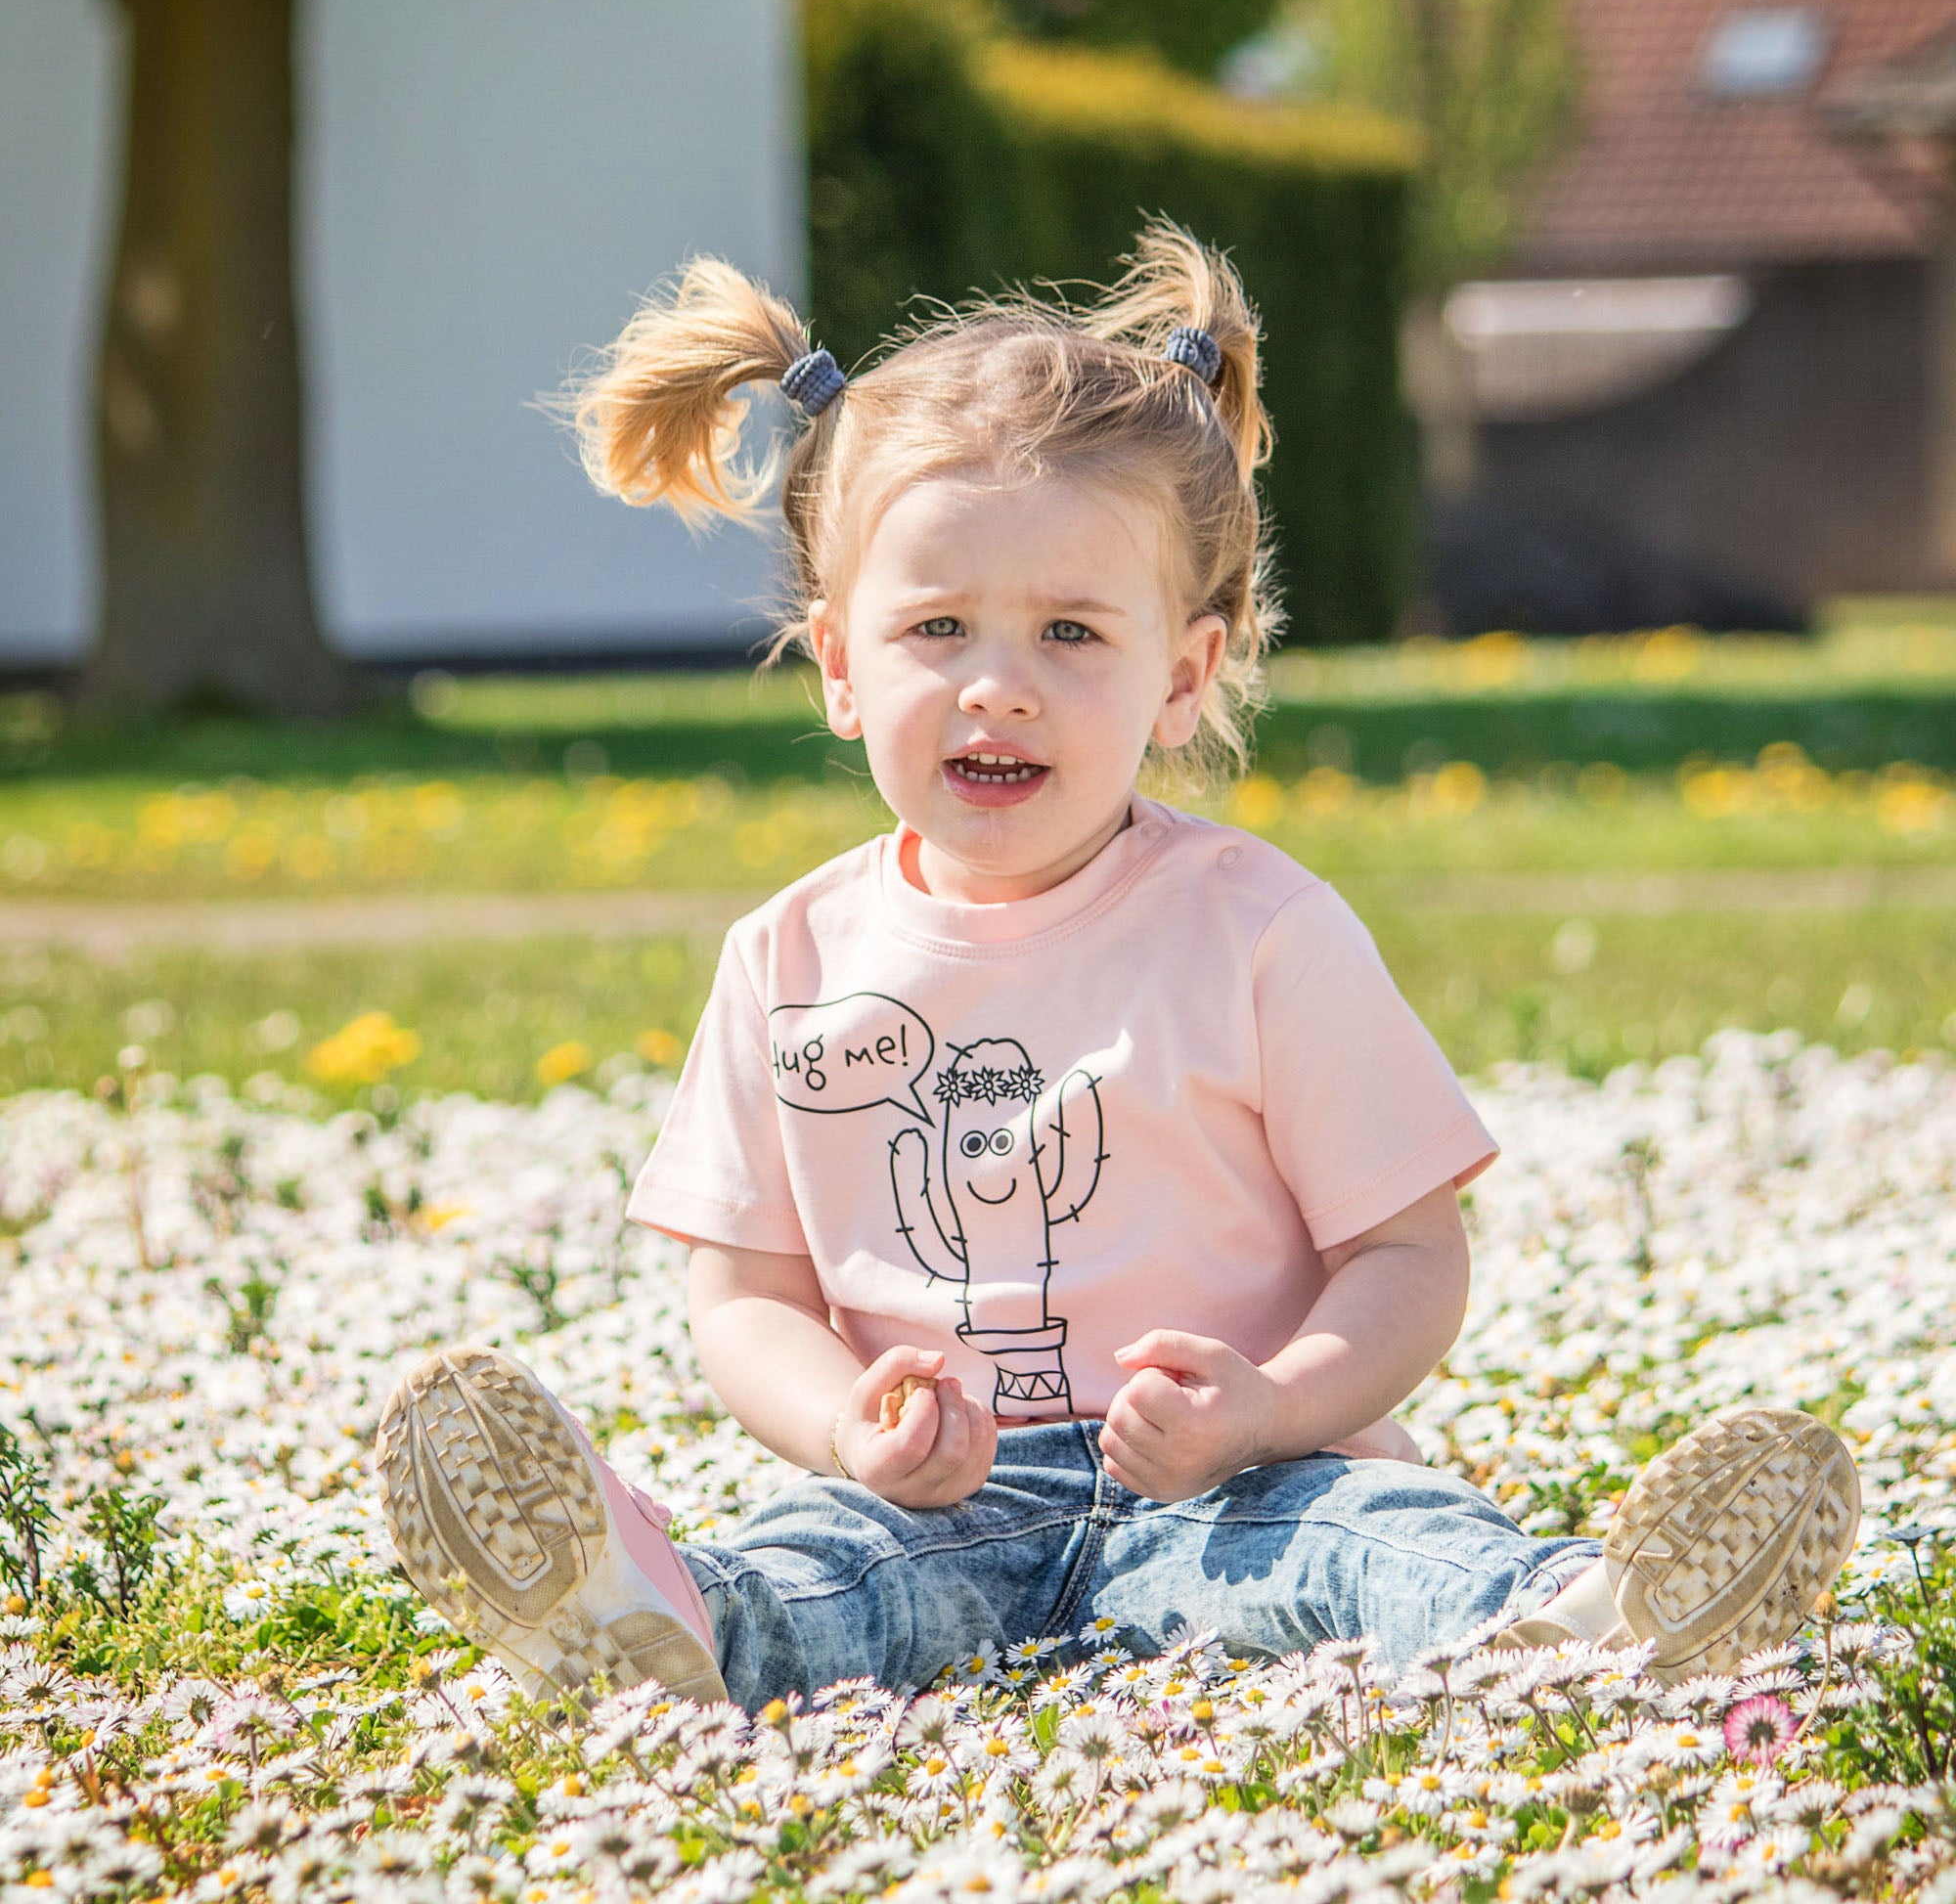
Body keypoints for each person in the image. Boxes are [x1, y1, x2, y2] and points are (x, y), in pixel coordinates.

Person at [375, 222, 1860, 1714]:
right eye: (935, 628)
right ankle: (662, 1622)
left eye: (1072, 632)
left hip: (1241, 1487)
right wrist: (850, 1429)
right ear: (839, 666)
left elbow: (1411, 1258)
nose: (997, 682)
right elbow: (744, 1295)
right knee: (820, 1569)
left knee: (1377, 1548)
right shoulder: (789, 959)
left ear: (1183, 674)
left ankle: (1582, 1621)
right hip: (937, 1505)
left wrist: (1276, 1407)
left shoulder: (1260, 932)